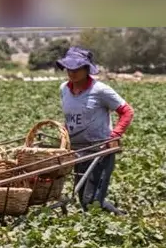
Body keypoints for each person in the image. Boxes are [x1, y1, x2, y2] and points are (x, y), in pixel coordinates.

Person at [55, 46, 135, 215]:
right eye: (69, 68)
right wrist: (64, 131)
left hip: (99, 151)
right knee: (85, 199)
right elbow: (69, 116)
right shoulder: (64, 89)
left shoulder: (100, 90)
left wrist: (115, 135)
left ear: (87, 69)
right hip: (78, 151)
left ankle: (120, 221)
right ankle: (121, 217)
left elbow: (127, 111)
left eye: (77, 68)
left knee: (91, 201)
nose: (72, 72)